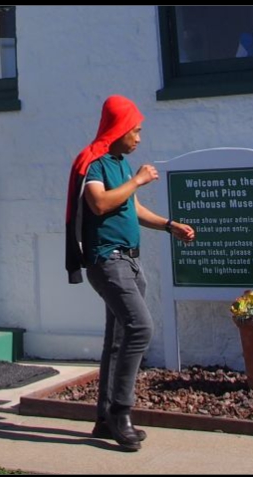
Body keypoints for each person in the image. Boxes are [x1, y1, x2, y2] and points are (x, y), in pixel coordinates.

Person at [65, 95, 195, 451]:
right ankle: (121, 412)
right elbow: (100, 202)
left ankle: (106, 418)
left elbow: (131, 207)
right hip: (107, 261)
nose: (138, 138)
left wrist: (169, 225)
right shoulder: (96, 164)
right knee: (141, 328)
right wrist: (137, 181)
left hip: (129, 262)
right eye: (134, 131)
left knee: (120, 338)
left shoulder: (120, 165)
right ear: (118, 129)